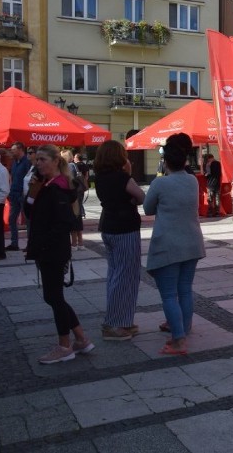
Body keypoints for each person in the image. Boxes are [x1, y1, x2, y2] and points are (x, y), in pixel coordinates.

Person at [25, 145, 94, 364]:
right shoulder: (45, 185)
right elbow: (30, 215)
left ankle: (65, 345)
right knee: (54, 296)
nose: (38, 164)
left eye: (43, 159)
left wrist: (44, 243)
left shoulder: (58, 188)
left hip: (52, 249)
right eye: (37, 160)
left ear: (56, 161)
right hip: (48, 248)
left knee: (53, 296)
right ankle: (81, 339)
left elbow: (64, 223)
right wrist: (31, 195)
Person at [143, 133, 206, 355]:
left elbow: (148, 209)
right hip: (192, 242)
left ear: (165, 161)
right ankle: (183, 326)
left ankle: (178, 340)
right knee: (185, 289)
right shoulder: (192, 181)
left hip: (168, 245)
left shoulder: (160, 183)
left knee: (169, 294)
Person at [94, 140, 146, 342]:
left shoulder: (99, 177)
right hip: (125, 229)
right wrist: (129, 174)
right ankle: (114, 324)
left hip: (108, 226)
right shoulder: (122, 177)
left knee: (115, 274)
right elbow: (142, 197)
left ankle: (121, 320)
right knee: (126, 276)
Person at [7, 142, 30, 252]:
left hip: (22, 194)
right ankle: (14, 243)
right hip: (14, 193)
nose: (12, 151)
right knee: (11, 219)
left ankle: (30, 244)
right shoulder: (15, 162)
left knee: (28, 220)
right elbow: (12, 176)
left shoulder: (27, 162)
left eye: (14, 149)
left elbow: (29, 179)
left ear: (20, 149)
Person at [61, 150, 85, 250]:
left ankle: (74, 243)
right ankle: (80, 243)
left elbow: (69, 181)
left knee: (73, 217)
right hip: (78, 193)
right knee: (78, 217)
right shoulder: (74, 165)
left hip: (73, 195)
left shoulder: (69, 166)